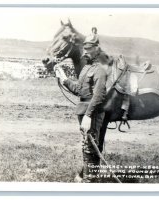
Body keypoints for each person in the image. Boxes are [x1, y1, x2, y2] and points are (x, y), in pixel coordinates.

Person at [55, 28, 108, 183]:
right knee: (86, 145)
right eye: (85, 48)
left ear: (97, 49)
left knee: (91, 145)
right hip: (84, 112)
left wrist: (88, 115)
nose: (86, 51)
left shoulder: (100, 70)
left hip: (92, 113)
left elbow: (98, 96)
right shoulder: (86, 68)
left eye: (89, 48)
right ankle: (89, 178)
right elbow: (79, 90)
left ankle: (90, 180)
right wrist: (64, 79)